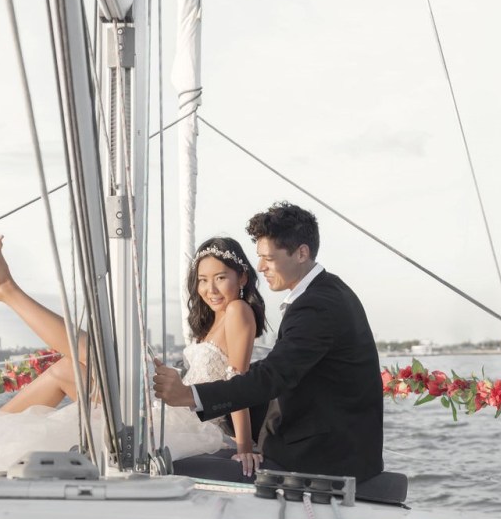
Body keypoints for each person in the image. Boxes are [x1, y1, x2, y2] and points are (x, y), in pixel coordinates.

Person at [0, 234, 266, 477]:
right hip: (172, 411)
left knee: (98, 355)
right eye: (203, 280)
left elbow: (240, 385)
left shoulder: (238, 313)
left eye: (220, 278)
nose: (210, 288)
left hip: (192, 426)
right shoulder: (216, 320)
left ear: (242, 278)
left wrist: (244, 450)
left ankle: (8, 291)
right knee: (66, 369)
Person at [154, 202, 384, 483]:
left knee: (170, 468)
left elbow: (274, 376)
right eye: (259, 257)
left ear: (302, 253)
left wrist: (190, 396)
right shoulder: (324, 293)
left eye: (269, 258)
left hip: (323, 458)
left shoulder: (318, 304)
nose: (260, 267)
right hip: (309, 444)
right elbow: (277, 368)